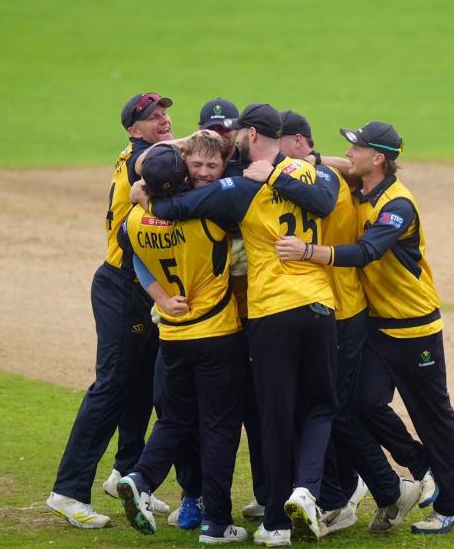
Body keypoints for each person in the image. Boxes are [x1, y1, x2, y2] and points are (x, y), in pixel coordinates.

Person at [136, 103, 337, 545]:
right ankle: (307, 492)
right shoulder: (314, 173)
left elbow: (182, 206)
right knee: (320, 407)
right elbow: (325, 199)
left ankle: (276, 522)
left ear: (248, 135)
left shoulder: (241, 187)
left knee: (274, 414)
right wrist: (284, 175)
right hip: (322, 306)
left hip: (268, 311)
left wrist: (149, 195)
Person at [275, 121, 454, 535]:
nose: (348, 153)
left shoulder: (397, 206)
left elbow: (366, 252)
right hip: (376, 325)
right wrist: (305, 159)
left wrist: (308, 252)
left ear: (378, 158)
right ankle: (420, 465)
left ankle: (453, 503)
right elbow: (330, 164)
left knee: (433, 413)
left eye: (356, 148)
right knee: (360, 404)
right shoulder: (362, 186)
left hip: (414, 325)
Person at [46, 93, 173, 528]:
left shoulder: (141, 153)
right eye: (153, 118)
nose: (163, 121)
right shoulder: (142, 158)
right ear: (133, 129)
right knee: (112, 386)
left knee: (142, 385)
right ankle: (68, 491)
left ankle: (127, 473)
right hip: (122, 287)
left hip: (141, 287)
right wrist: (211, 138)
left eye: (164, 114)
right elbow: (157, 160)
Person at [115, 141, 247, 544]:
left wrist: (158, 297)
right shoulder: (210, 218)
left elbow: (129, 250)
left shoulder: (135, 220)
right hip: (216, 335)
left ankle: (140, 478)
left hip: (171, 335)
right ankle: (217, 523)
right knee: (220, 428)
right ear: (185, 175)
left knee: (173, 420)